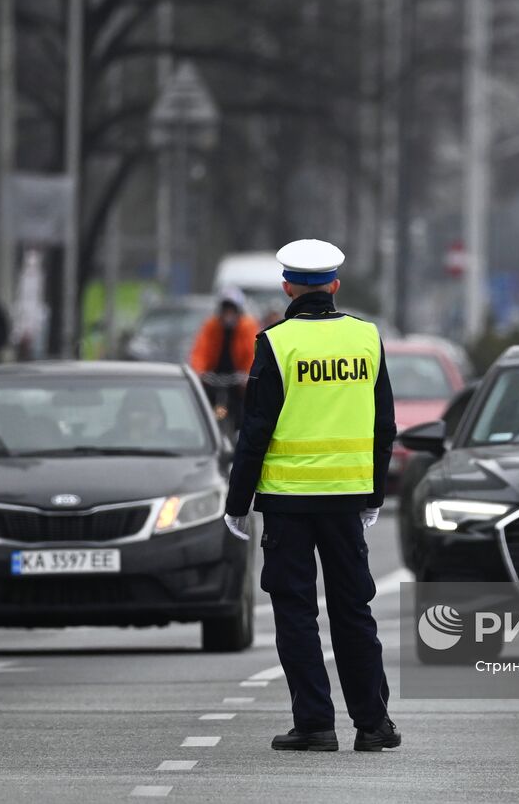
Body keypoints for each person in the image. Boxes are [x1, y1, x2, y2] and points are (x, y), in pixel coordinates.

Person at [223, 239, 399, 753]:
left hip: (289, 502)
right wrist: (374, 493)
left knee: (296, 612)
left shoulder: (276, 343)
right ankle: (373, 724)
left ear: (287, 286)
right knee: (353, 611)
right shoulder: (366, 339)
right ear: (335, 286)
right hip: (346, 498)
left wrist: (237, 503)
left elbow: (255, 430)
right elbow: (383, 424)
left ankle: (316, 724)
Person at [189, 287, 258, 430]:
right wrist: (198, 372)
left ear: (239, 311)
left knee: (247, 405)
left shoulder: (247, 326)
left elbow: (252, 353)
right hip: (214, 377)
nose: (228, 314)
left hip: (238, 379)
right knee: (202, 405)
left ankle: (243, 432)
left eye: (232, 310)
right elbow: (200, 351)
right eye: (225, 309)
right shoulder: (211, 326)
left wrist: (248, 376)